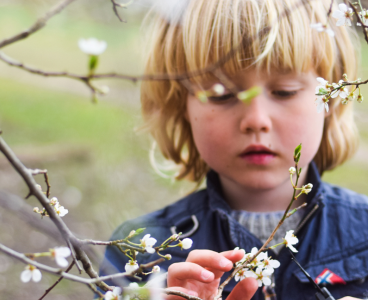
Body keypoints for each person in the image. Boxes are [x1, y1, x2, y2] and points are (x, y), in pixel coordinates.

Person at [99, 0, 368, 299]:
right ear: (181, 106)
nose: (255, 120)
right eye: (222, 95)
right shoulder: (138, 255)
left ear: (330, 97)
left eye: (284, 91)